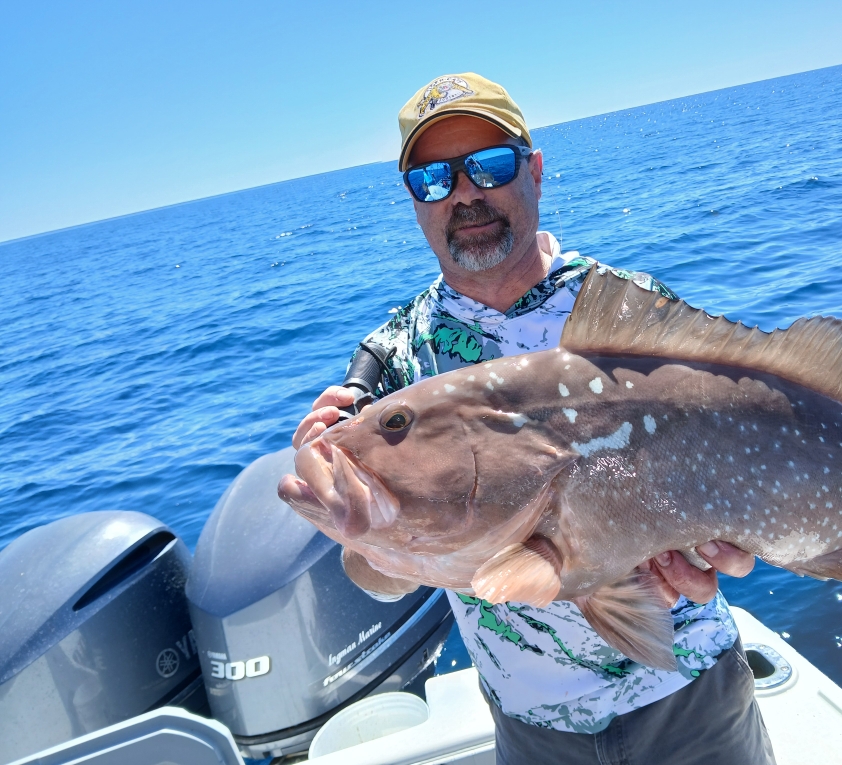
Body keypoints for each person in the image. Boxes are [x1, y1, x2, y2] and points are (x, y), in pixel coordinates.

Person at [292, 72, 776, 765]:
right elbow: (374, 575)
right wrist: (366, 531)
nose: (465, 193)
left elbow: (732, 457)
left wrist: (727, 543)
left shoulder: (630, 308)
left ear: (535, 171)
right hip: (532, 725)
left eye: (488, 165)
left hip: (689, 690)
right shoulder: (395, 359)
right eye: (434, 179)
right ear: (415, 202)